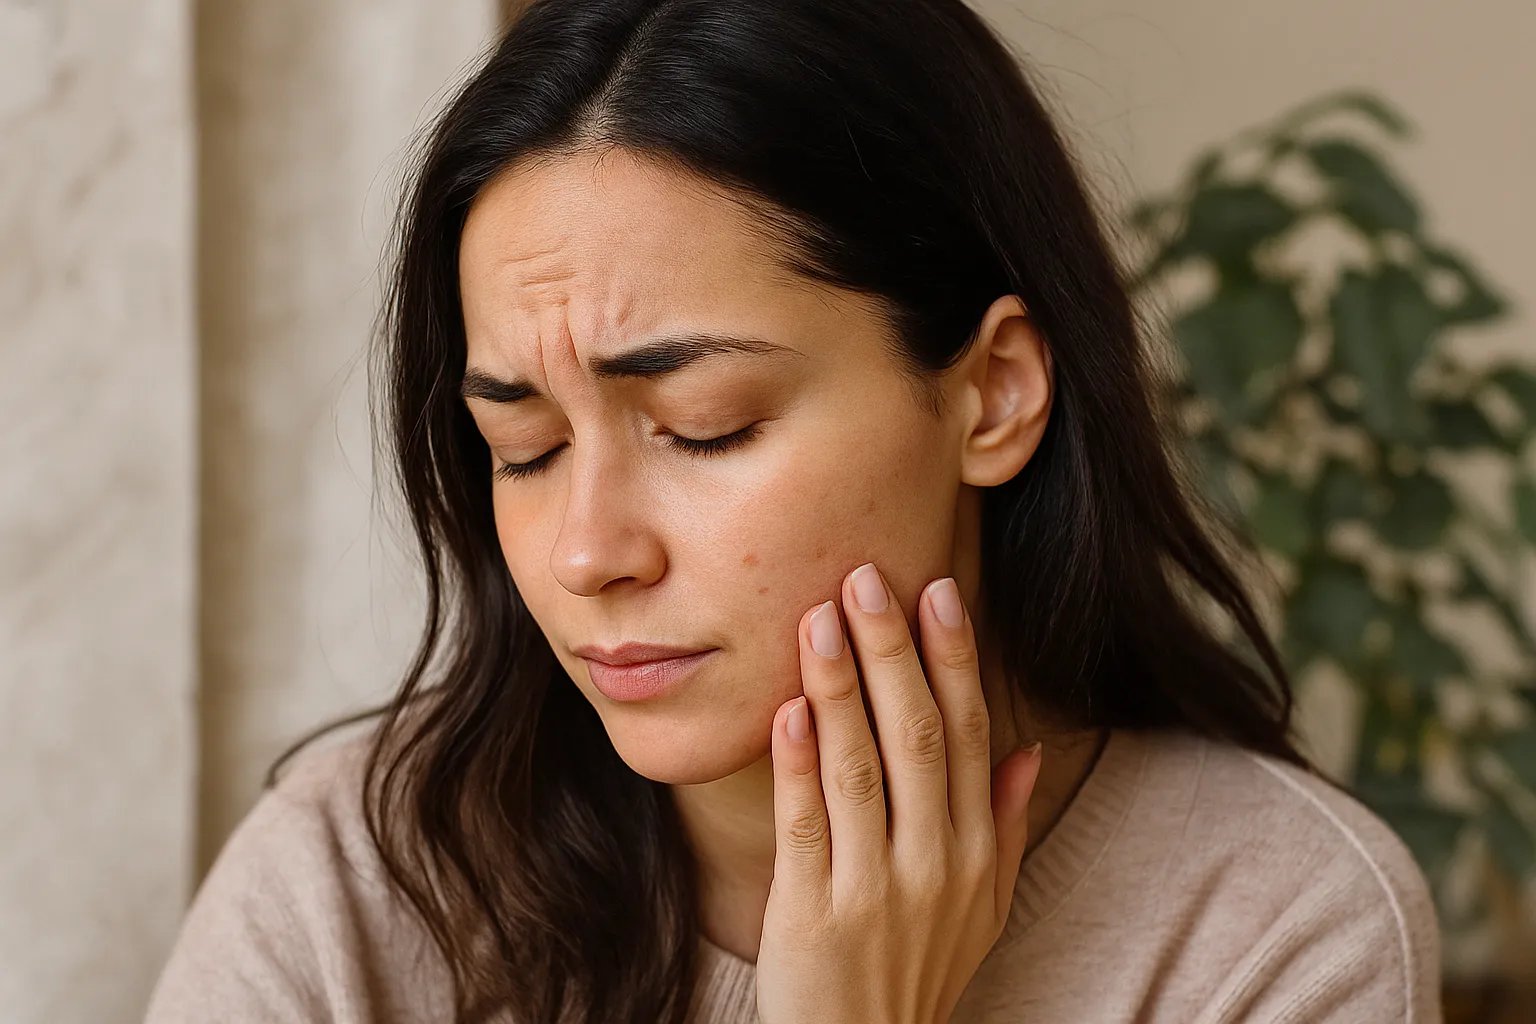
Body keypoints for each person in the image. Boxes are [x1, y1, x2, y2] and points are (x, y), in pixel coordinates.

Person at [144, 0, 1442, 1021]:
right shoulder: (357, 884)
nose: (590, 551)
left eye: (705, 426)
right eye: (522, 444)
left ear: (991, 394)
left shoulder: (1274, 929)